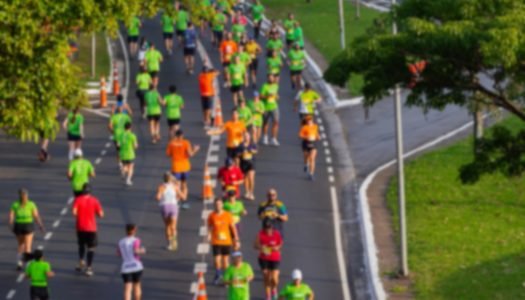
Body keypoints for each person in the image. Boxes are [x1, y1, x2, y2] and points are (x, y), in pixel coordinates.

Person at [72, 183, 104, 276]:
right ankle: (89, 268)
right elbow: (101, 214)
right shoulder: (95, 200)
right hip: (91, 228)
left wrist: (80, 216)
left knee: (81, 245)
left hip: (80, 227)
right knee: (91, 248)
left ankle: (81, 261)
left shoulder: (78, 200)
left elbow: (74, 212)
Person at [9, 189, 44, 270]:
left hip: (18, 225)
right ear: (27, 196)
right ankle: (27, 265)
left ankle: (19, 262)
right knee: (28, 246)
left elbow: (11, 216)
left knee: (20, 245)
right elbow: (36, 216)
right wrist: (40, 225)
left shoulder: (15, 204)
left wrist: (10, 224)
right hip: (28, 225)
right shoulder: (31, 204)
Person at [207, 198, 240, 285]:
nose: (218, 206)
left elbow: (233, 227)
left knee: (225, 262)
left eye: (219, 204)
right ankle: (218, 274)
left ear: (222, 205)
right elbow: (210, 227)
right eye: (216, 204)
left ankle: (226, 277)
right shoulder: (211, 215)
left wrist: (236, 238)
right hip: (216, 241)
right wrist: (209, 235)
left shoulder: (227, 215)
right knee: (216, 260)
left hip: (226, 241)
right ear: (214, 205)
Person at [166, 130, 200, 209]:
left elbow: (168, 154)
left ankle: (177, 201)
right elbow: (190, 154)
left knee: (177, 186)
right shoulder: (186, 142)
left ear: (175, 135)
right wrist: (195, 149)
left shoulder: (171, 143)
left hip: (176, 167)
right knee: (184, 184)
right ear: (182, 135)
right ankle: (184, 201)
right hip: (185, 167)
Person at [254, 218, 283, 300]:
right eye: (266, 228)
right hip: (264, 258)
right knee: (266, 275)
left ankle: (274, 290)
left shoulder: (276, 234)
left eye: (269, 228)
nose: (268, 230)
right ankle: (268, 296)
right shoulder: (260, 234)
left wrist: (276, 248)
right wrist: (261, 247)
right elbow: (255, 245)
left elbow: (280, 244)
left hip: (274, 258)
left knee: (274, 279)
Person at [156, 172, 185, 250]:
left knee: (167, 226)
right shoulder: (175, 186)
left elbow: (158, 197)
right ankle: (174, 243)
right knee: (174, 227)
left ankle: (169, 244)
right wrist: (178, 197)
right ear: (170, 179)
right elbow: (183, 197)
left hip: (164, 206)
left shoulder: (161, 187)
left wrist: (161, 196)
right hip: (173, 206)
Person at [118, 224, 146, 300]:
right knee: (137, 286)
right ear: (134, 230)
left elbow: (118, 253)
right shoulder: (136, 240)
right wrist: (142, 250)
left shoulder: (121, 242)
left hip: (126, 268)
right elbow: (136, 251)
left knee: (127, 289)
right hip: (136, 266)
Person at [261, 74, 280, 146]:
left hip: (274, 106)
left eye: (272, 78)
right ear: (267, 79)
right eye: (269, 78)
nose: (271, 79)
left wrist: (277, 97)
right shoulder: (264, 86)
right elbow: (261, 96)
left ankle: (274, 139)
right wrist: (267, 96)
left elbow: (276, 95)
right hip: (266, 107)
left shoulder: (276, 86)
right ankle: (265, 137)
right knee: (265, 122)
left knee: (276, 122)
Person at [299, 116, 320, 180]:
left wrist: (318, 137)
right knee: (306, 157)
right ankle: (306, 164)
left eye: (311, 120)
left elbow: (316, 133)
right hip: (306, 143)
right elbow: (300, 135)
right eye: (308, 120)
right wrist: (306, 137)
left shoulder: (315, 126)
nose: (310, 121)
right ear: (306, 122)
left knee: (312, 158)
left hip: (313, 144)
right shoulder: (304, 127)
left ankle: (311, 174)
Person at [239, 132, 257, 200]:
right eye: (245, 136)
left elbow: (256, 151)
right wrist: (241, 153)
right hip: (243, 163)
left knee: (251, 177)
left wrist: (250, 150)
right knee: (245, 178)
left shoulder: (252, 144)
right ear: (243, 137)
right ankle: (247, 192)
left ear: (250, 137)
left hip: (251, 162)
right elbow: (237, 154)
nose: (246, 137)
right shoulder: (241, 145)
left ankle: (251, 193)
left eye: (247, 136)